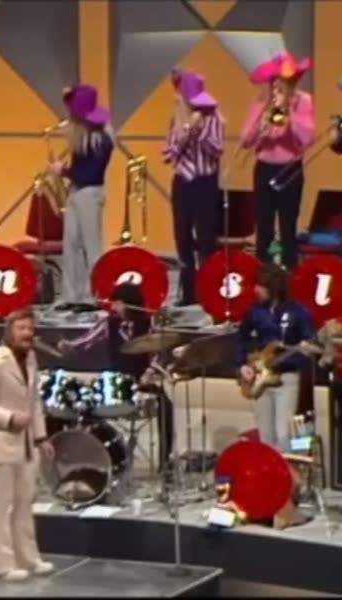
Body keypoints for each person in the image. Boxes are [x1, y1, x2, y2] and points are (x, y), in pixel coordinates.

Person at [0, 308, 55, 582]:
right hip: (2, 441)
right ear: (9, 331)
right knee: (4, 505)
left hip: (27, 444)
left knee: (25, 502)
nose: (27, 334)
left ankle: (29, 558)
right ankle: (2, 565)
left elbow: (34, 402)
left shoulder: (30, 358)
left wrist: (41, 437)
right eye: (21, 329)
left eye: (30, 329)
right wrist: (9, 418)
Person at [57, 282, 174, 472]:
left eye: (117, 303)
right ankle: (99, 458)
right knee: (86, 404)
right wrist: (69, 346)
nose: (114, 307)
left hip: (142, 382)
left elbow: (158, 353)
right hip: (116, 383)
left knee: (166, 406)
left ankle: (165, 460)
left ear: (128, 303)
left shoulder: (150, 323)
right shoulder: (109, 323)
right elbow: (86, 340)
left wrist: (150, 373)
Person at [240, 52, 315, 270]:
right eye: (274, 80)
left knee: (287, 226)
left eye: (282, 80)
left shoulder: (303, 101)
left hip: (289, 170)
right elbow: (245, 141)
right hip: (264, 169)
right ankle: (263, 275)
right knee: (264, 227)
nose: (277, 85)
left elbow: (307, 138)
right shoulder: (263, 102)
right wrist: (260, 126)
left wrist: (289, 110)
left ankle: (289, 276)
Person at [235, 263, 316, 452]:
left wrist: (300, 354)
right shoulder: (255, 312)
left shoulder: (298, 312)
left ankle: (286, 469)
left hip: (287, 379)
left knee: (284, 435)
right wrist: (242, 365)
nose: (256, 289)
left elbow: (309, 346)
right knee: (266, 437)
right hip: (259, 378)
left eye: (260, 285)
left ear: (273, 287)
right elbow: (240, 338)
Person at [49, 84, 114, 313]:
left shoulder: (101, 140)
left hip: (90, 193)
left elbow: (91, 174)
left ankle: (93, 295)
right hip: (77, 191)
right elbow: (70, 95)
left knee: (91, 246)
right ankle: (71, 295)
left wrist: (64, 171)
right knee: (71, 243)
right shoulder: (83, 136)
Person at [162, 69, 224, 306]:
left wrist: (200, 133)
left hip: (205, 183)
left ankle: (207, 292)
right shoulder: (177, 119)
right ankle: (188, 294)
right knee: (183, 240)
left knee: (206, 241)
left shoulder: (214, 118)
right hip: (183, 183)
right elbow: (169, 154)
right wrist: (187, 131)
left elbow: (216, 151)